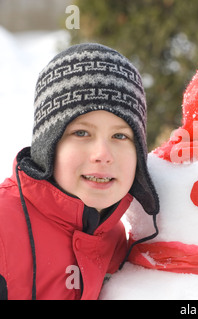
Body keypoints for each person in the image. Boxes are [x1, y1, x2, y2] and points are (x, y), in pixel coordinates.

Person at [0, 43, 159, 300]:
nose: (102, 155)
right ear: (47, 145)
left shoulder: (116, 239)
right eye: (81, 133)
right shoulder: (4, 226)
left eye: (120, 135)